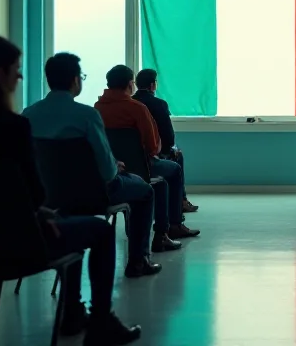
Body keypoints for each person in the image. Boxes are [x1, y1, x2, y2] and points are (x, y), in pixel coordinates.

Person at [0, 37, 140, 344]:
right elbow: (33, 194)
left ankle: (72, 311)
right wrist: (40, 212)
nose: (19, 77)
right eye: (15, 70)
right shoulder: (14, 127)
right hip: (18, 243)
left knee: (65, 217)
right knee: (99, 230)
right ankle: (100, 322)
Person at [22, 53, 167, 278]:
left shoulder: (28, 115)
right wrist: (114, 165)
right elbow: (108, 172)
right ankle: (139, 260)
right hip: (92, 194)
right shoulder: (86, 115)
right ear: (75, 80)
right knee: (146, 191)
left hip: (48, 197)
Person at [95, 65, 199, 240]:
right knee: (174, 170)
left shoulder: (97, 108)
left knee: (161, 180)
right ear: (130, 84)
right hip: (141, 167)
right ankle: (173, 225)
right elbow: (152, 146)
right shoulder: (137, 108)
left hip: (112, 169)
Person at [132, 68, 197, 213]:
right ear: (153, 85)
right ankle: (181, 201)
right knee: (177, 157)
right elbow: (168, 136)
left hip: (128, 159)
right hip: (153, 155)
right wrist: (170, 150)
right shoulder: (159, 104)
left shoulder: (129, 104)